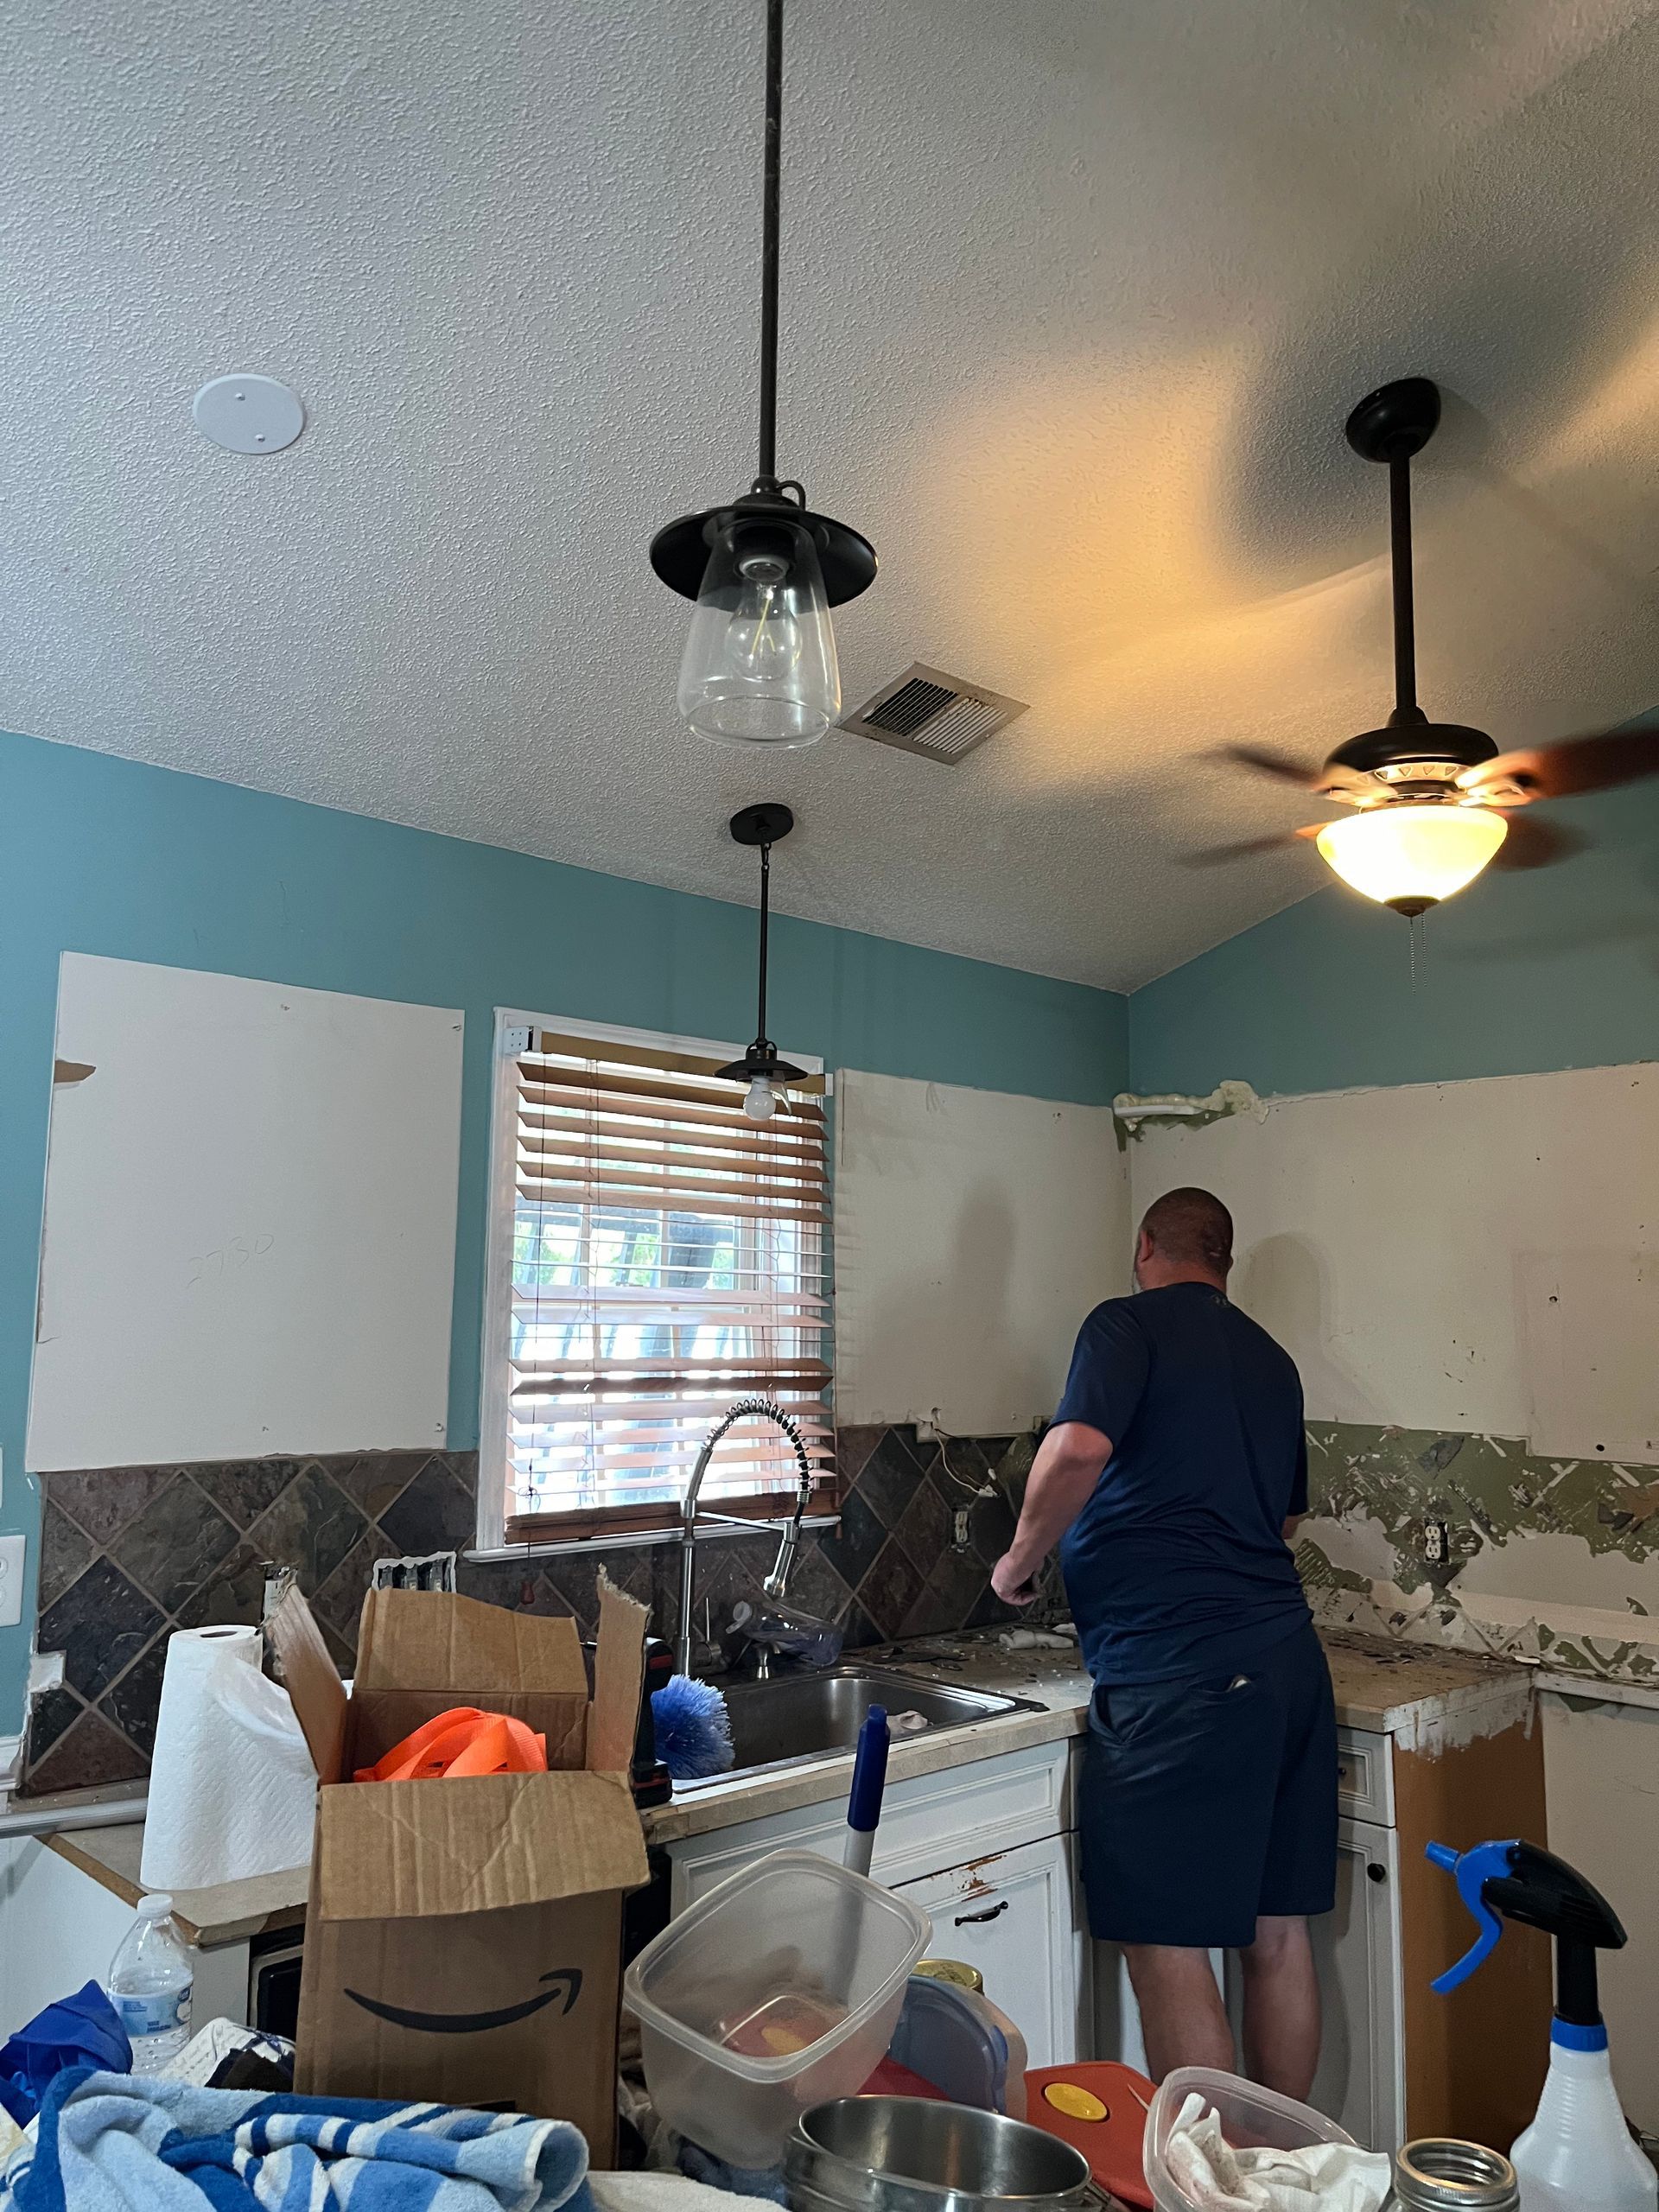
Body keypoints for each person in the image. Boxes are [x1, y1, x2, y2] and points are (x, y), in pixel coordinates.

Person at [990, 1186, 1335, 2094]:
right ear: (1225, 1258)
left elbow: (1074, 1451)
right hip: (1290, 1664)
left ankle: (1203, 2189)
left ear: (1146, 1245)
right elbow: (1287, 1516)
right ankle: (1270, 2174)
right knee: (1279, 1931)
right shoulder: (1273, 1358)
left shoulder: (1122, 1326)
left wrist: (1020, 1559)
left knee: (1167, 1942)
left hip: (1180, 1677)